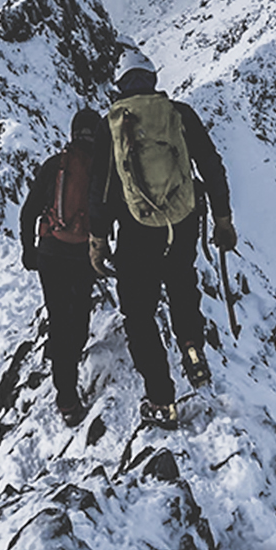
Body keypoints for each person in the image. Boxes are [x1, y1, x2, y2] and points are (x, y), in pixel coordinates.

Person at [89, 41, 237, 430]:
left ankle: (160, 399)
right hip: (184, 223)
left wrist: (98, 238)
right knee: (182, 285)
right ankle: (192, 352)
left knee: (139, 313)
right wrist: (223, 219)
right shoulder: (180, 115)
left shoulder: (112, 124)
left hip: (137, 233)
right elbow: (212, 166)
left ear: (120, 85)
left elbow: (101, 190)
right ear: (153, 79)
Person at [20, 108, 102, 427]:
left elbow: (28, 212)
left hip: (50, 254)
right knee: (78, 314)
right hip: (83, 255)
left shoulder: (56, 166)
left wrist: (29, 250)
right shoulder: (102, 170)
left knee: (58, 318)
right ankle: (73, 354)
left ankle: (66, 399)